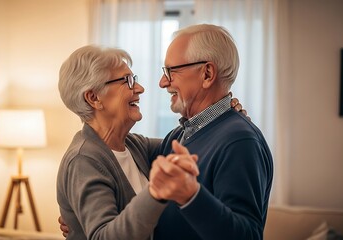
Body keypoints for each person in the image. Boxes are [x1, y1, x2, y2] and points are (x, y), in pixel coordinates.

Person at [56, 45, 244, 240]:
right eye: (127, 81)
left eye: (134, 79)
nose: (140, 88)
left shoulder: (134, 146)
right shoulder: (83, 160)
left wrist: (222, 115)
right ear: (93, 97)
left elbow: (193, 142)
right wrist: (154, 192)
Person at [148, 24, 274, 239]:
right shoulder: (178, 136)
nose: (163, 82)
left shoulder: (240, 141)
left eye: (171, 71)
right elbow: (123, 151)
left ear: (207, 73)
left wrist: (191, 196)